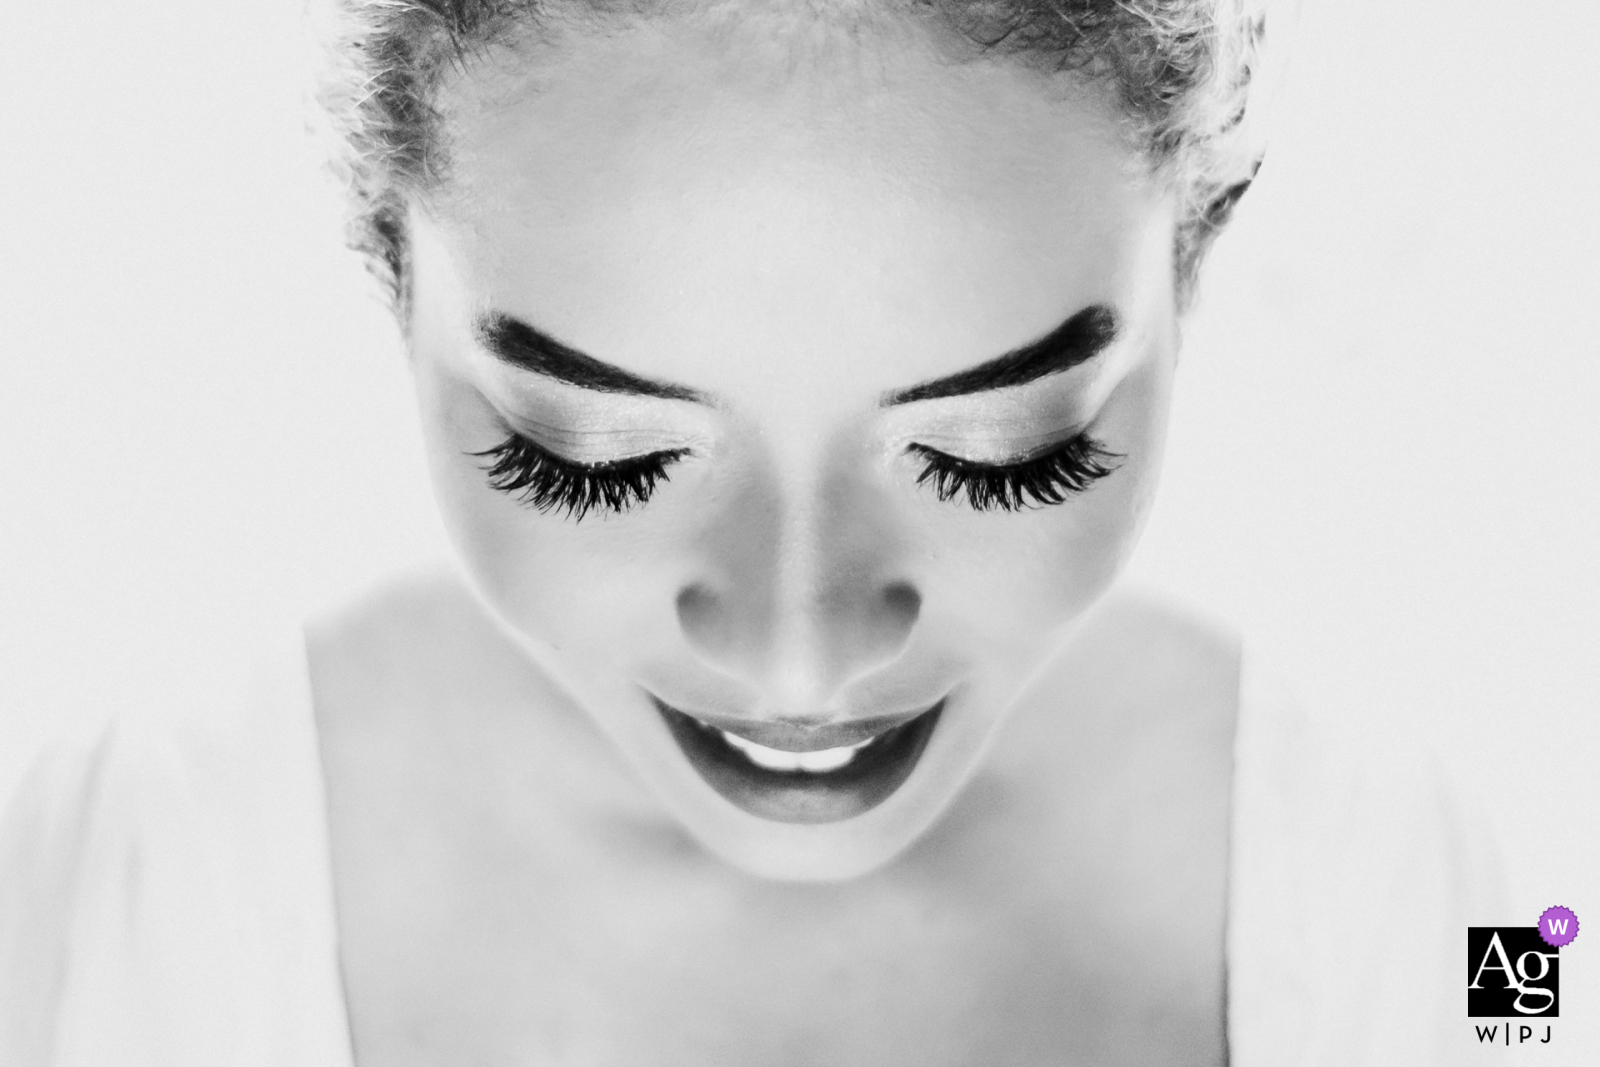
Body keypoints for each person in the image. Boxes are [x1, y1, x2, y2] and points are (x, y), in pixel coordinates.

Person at [0, 0, 1501, 1063]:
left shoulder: (1425, 888)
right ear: (391, 279)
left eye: (1000, 460)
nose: (802, 653)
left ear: (1197, 265)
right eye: (596, 461)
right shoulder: (104, 889)